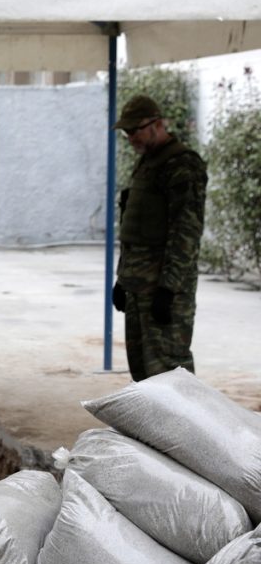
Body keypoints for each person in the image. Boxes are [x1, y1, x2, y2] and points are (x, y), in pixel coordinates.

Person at [112, 95, 208, 382]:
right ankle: (152, 429)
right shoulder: (147, 163)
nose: (130, 138)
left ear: (156, 124)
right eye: (126, 132)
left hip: (163, 290)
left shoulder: (182, 164)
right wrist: (122, 279)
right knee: (143, 372)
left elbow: (186, 233)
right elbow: (134, 228)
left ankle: (186, 428)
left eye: (135, 130)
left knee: (170, 372)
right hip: (137, 286)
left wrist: (168, 289)